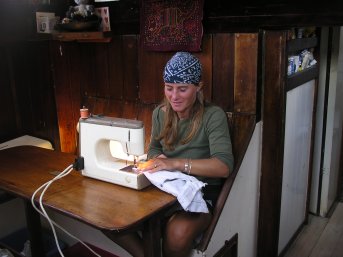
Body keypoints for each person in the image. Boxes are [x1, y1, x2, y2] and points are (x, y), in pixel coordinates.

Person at [113, 52, 234, 257]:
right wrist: (159, 160)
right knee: (112, 215)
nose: (174, 96)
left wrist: (175, 164)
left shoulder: (213, 116)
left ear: (198, 87)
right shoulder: (160, 113)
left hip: (202, 193)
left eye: (182, 89)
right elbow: (154, 149)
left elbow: (223, 166)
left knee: (177, 234)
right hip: (168, 188)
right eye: (169, 88)